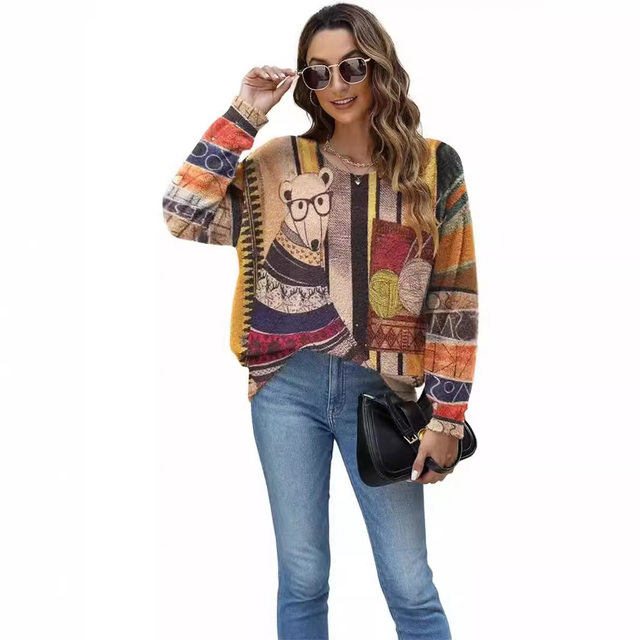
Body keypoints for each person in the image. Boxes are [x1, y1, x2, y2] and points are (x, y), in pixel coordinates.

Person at [162, 3, 479, 638]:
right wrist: (247, 111)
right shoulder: (279, 163)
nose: (337, 84)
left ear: (379, 66)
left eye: (352, 66)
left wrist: (447, 416)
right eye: (319, 72)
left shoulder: (432, 166)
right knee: (302, 577)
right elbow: (183, 211)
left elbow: (454, 297)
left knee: (410, 584)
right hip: (286, 388)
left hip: (384, 394)